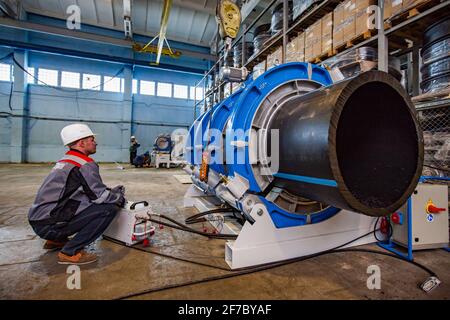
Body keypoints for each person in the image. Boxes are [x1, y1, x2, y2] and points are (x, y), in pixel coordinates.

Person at [28, 124, 126, 265]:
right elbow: (99, 197)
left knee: (93, 203)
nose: (95, 143)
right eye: (92, 140)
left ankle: (56, 241)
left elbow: (84, 191)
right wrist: (118, 197)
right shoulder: (84, 164)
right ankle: (70, 252)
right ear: (81, 143)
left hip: (39, 221)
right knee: (109, 209)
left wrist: (108, 192)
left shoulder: (66, 160)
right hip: (49, 225)